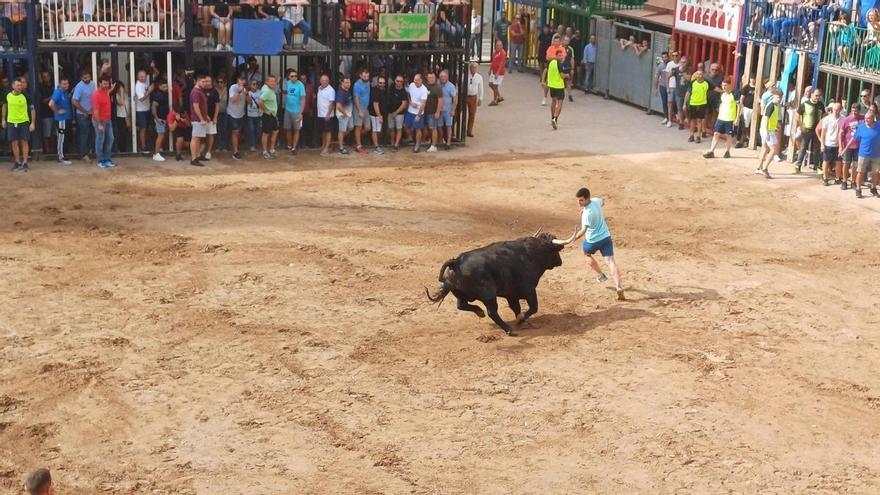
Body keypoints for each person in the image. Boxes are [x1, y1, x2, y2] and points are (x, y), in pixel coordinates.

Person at [565, 187, 625, 301]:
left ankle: (601, 275)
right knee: (611, 262)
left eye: (581, 200)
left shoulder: (587, 214)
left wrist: (574, 238)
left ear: (587, 198)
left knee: (586, 254)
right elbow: (603, 201)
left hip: (592, 241)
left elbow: (583, 231)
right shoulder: (596, 201)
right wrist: (588, 207)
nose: (579, 202)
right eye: (578, 200)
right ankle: (618, 287)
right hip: (605, 237)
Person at [842, 110, 880, 198]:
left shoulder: (879, 125)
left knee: (875, 172)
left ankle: (873, 188)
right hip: (863, 154)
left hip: (876, 154)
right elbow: (853, 139)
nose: (866, 120)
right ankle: (858, 189)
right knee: (860, 172)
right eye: (865, 118)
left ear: (873, 118)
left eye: (868, 118)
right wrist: (845, 149)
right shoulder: (861, 127)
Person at [3, 77, 35, 172]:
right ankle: (17, 162)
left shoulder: (27, 96)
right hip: (11, 122)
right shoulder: (7, 95)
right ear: (13, 86)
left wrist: (32, 123)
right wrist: (3, 119)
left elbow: (32, 109)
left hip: (24, 121)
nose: (19, 87)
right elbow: (4, 106)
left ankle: (25, 162)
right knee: (14, 143)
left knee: (24, 142)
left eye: (21, 85)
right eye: (17, 85)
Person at [703, 80, 739, 159]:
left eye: (725, 85)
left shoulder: (735, 94)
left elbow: (739, 106)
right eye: (722, 85)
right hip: (721, 117)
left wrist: (737, 118)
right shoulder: (722, 94)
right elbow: (721, 105)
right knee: (716, 134)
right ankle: (711, 151)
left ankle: (727, 151)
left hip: (730, 118)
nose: (723, 87)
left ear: (730, 85)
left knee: (729, 136)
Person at [794, 88, 825, 174]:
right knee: (803, 147)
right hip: (807, 129)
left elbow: (823, 116)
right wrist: (801, 126)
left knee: (817, 149)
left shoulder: (821, 105)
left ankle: (817, 167)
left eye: (819, 96)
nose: (818, 97)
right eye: (816, 95)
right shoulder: (805, 104)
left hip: (817, 130)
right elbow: (797, 115)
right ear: (811, 95)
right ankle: (798, 166)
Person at [72, 69, 96, 161]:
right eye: (85, 78)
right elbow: (74, 101)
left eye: (88, 77)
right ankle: (83, 154)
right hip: (82, 114)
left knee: (91, 133)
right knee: (84, 134)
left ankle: (89, 151)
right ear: (81, 78)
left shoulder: (93, 84)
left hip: (91, 113)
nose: (87, 79)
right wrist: (84, 111)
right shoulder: (79, 86)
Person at [91, 76, 115, 169]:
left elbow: (107, 93)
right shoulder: (96, 94)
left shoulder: (105, 91)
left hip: (107, 120)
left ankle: (107, 159)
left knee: (110, 139)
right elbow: (95, 111)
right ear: (99, 83)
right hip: (99, 120)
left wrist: (111, 89)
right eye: (104, 83)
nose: (106, 85)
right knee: (100, 140)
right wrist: (99, 124)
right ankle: (100, 160)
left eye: (107, 84)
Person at [837, 103, 862, 190]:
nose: (854, 112)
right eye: (853, 110)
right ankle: (844, 181)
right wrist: (840, 146)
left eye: (856, 111)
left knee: (855, 165)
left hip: (858, 146)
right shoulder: (847, 119)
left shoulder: (862, 118)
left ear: (859, 111)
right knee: (846, 163)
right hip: (847, 145)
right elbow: (841, 133)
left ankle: (853, 181)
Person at [48, 75, 73, 165]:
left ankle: (63, 156)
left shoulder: (64, 92)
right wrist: (57, 111)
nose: (65, 85)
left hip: (65, 119)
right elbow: (50, 104)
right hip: (61, 119)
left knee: (64, 138)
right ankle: (60, 157)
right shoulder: (58, 92)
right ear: (60, 84)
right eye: (63, 84)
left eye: (66, 84)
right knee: (61, 138)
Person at [817, 101, 842, 186]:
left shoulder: (843, 119)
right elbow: (823, 132)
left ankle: (838, 178)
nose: (836, 111)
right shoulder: (827, 119)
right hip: (828, 143)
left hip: (838, 145)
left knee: (838, 162)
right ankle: (825, 177)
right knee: (826, 161)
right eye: (834, 110)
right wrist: (822, 144)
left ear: (840, 110)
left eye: (838, 110)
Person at [541, 49, 567, 130]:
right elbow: (562, 76)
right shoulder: (560, 65)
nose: (561, 56)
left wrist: (543, 81)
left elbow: (545, 70)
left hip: (552, 86)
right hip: (559, 86)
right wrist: (567, 75)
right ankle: (555, 119)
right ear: (556, 56)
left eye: (562, 55)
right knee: (560, 103)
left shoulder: (551, 63)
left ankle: (552, 117)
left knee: (553, 101)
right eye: (559, 55)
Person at [283, 68, 305, 154]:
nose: (294, 77)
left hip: (297, 111)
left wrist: (301, 113)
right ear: (289, 77)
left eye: (296, 76)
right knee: (287, 128)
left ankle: (294, 147)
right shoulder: (287, 83)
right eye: (292, 76)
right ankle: (289, 145)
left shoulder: (300, 85)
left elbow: (303, 99)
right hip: (288, 109)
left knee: (296, 129)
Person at [258, 75, 280, 159]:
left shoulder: (267, 88)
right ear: (267, 82)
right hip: (268, 115)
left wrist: (277, 82)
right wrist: (266, 110)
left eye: (274, 81)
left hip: (273, 115)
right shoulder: (267, 91)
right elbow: (260, 102)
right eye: (271, 81)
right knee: (266, 133)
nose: (273, 83)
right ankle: (265, 151)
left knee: (275, 131)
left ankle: (271, 149)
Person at [405, 73, 428, 153]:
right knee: (406, 125)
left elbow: (423, 104)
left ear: (421, 80)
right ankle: (412, 138)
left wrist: (418, 115)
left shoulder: (424, 90)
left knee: (418, 129)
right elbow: (408, 94)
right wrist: (410, 102)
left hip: (418, 112)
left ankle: (417, 145)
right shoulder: (411, 85)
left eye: (417, 80)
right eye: (414, 79)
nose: (415, 81)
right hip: (410, 110)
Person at [189, 75, 208, 167]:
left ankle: (197, 156)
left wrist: (205, 116)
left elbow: (201, 106)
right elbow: (196, 107)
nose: (205, 83)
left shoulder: (199, 91)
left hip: (200, 118)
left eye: (205, 82)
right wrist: (201, 118)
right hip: (197, 119)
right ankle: (194, 158)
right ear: (198, 81)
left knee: (198, 138)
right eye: (203, 81)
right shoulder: (196, 92)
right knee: (195, 138)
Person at [227, 74, 247, 160]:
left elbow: (249, 102)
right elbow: (232, 100)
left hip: (241, 114)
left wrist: (247, 94)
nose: (241, 86)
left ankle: (235, 147)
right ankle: (235, 152)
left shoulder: (245, 90)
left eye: (243, 84)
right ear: (237, 83)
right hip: (232, 113)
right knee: (235, 132)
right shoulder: (233, 88)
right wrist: (239, 92)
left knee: (238, 132)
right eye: (240, 84)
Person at [685, 70, 709, 144]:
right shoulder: (692, 83)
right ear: (696, 75)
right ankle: (691, 135)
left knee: (699, 120)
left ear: (703, 75)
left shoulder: (706, 83)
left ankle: (698, 136)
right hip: (693, 103)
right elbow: (688, 93)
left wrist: (724, 91)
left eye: (701, 74)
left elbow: (714, 88)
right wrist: (684, 103)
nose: (699, 75)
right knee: (692, 120)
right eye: (698, 74)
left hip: (702, 104)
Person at [424, 72, 444, 153]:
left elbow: (440, 100)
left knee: (433, 128)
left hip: (433, 111)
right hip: (426, 111)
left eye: (432, 77)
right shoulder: (425, 86)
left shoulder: (438, 87)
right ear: (427, 78)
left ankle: (434, 145)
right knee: (430, 127)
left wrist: (438, 112)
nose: (431, 79)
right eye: (429, 77)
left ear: (435, 78)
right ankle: (432, 143)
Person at [387, 74, 408, 151]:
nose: (399, 83)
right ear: (395, 81)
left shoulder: (404, 91)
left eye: (401, 81)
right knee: (391, 128)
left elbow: (404, 104)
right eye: (397, 81)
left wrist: (396, 112)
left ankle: (396, 145)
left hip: (399, 113)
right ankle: (392, 143)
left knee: (399, 129)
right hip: (390, 112)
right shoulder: (392, 87)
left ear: (403, 82)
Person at [134, 69, 153, 154]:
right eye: (141, 76)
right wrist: (149, 91)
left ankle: (147, 144)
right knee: (143, 128)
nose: (143, 78)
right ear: (137, 77)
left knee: (148, 128)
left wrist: (153, 67)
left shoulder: (147, 79)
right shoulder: (138, 85)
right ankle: (143, 146)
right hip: (140, 110)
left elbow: (156, 73)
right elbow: (141, 99)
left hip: (148, 108)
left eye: (144, 76)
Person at [352, 68, 371, 153]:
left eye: (367, 76)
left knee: (367, 128)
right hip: (358, 108)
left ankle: (355, 139)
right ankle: (359, 145)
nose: (366, 78)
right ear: (360, 75)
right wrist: (359, 110)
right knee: (358, 127)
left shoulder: (368, 83)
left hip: (365, 108)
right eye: (364, 76)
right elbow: (356, 98)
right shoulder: (357, 85)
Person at [151, 79, 170, 161]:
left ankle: (158, 151)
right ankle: (156, 154)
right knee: (160, 135)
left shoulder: (165, 94)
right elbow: (153, 106)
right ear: (159, 87)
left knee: (162, 135)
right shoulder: (159, 95)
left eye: (166, 86)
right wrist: (157, 118)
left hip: (164, 118)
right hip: (160, 119)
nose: (166, 88)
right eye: (164, 87)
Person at [368, 75, 388, 154]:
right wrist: (379, 116)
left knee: (377, 130)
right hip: (375, 114)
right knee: (375, 130)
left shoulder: (382, 90)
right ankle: (376, 147)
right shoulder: (376, 91)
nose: (382, 84)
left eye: (383, 83)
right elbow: (375, 104)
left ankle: (377, 145)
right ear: (377, 83)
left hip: (379, 114)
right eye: (380, 83)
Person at [317, 74, 335, 156]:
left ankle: (327, 148)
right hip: (320, 114)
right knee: (323, 131)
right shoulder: (319, 88)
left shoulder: (331, 90)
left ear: (328, 81)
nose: (324, 82)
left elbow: (332, 103)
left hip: (327, 115)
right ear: (320, 81)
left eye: (325, 80)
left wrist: (328, 114)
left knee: (328, 131)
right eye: (322, 80)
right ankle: (323, 145)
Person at [39, 71, 55, 156]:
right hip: (46, 114)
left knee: (53, 133)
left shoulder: (54, 85)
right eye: (44, 76)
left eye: (47, 76)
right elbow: (42, 101)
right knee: (47, 134)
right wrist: (52, 97)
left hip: (55, 113)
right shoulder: (41, 88)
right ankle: (47, 150)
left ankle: (53, 149)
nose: (46, 78)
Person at [335, 76, 353, 154]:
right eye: (346, 82)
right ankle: (341, 148)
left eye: (349, 82)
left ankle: (340, 140)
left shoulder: (347, 90)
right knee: (342, 131)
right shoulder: (341, 92)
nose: (348, 84)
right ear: (342, 83)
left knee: (351, 127)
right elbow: (339, 106)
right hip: (343, 115)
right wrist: (345, 113)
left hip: (348, 114)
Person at [737, 75, 755, 148]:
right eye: (752, 78)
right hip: (746, 108)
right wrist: (742, 107)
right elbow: (742, 97)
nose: (753, 80)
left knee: (751, 125)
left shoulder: (758, 88)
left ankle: (747, 140)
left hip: (754, 109)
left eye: (754, 78)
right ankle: (740, 140)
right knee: (743, 125)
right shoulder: (746, 87)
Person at [112, 81, 131, 153]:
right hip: (119, 117)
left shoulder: (125, 95)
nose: (122, 89)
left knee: (124, 134)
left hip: (125, 116)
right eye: (121, 88)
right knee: (121, 134)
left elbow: (127, 107)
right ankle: (121, 150)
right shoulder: (116, 96)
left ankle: (123, 149)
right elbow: (121, 102)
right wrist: (122, 93)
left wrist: (128, 118)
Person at [465, 62, 483, 138]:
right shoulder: (465, 76)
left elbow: (481, 88)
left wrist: (480, 98)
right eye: (472, 67)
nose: (474, 69)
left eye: (475, 68)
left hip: (473, 97)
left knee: (472, 114)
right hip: (465, 95)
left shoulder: (479, 77)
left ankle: (469, 130)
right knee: (458, 112)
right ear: (470, 68)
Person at [488, 40, 507, 106]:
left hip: (499, 73)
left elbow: (502, 64)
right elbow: (493, 61)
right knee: (490, 84)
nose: (498, 47)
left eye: (500, 45)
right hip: (494, 71)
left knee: (495, 86)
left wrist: (497, 73)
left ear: (502, 46)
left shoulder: (503, 53)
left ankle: (495, 100)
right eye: (497, 45)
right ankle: (499, 96)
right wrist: (490, 69)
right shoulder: (495, 52)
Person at [246, 78, 262, 152]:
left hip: (258, 114)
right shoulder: (248, 93)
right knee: (252, 130)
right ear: (250, 85)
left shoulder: (260, 92)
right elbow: (248, 102)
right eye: (253, 84)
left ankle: (255, 143)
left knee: (258, 130)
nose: (255, 85)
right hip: (250, 114)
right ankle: (252, 145)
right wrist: (247, 94)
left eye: (256, 84)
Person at [654, 51, 670, 125]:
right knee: (664, 102)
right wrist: (656, 89)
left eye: (665, 57)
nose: (664, 59)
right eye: (663, 57)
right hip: (662, 86)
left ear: (668, 57)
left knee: (671, 102)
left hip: (671, 87)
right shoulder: (660, 66)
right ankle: (666, 117)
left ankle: (671, 117)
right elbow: (657, 77)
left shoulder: (671, 65)